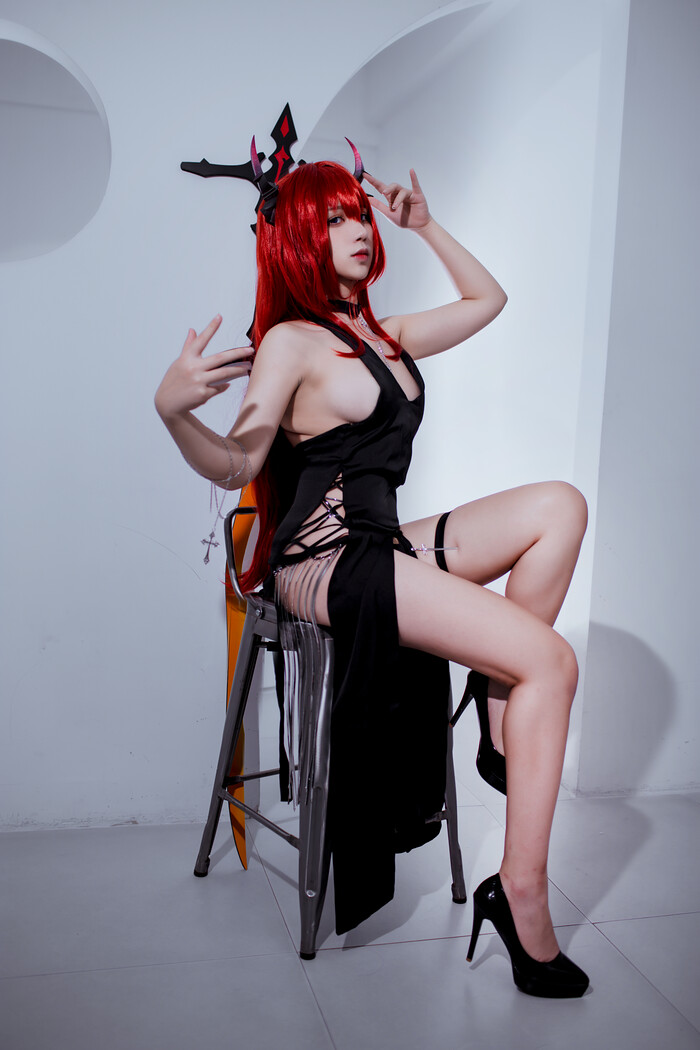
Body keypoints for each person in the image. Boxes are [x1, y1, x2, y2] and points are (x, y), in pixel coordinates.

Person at [155, 153, 589, 998]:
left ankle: (499, 697)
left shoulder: (384, 336)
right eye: (331, 219)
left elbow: (488, 301)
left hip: (379, 540)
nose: (356, 228)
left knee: (559, 508)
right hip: (318, 560)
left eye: (358, 213)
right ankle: (521, 894)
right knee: (553, 661)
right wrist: (173, 413)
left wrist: (423, 224)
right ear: (297, 240)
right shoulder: (291, 343)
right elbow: (239, 459)